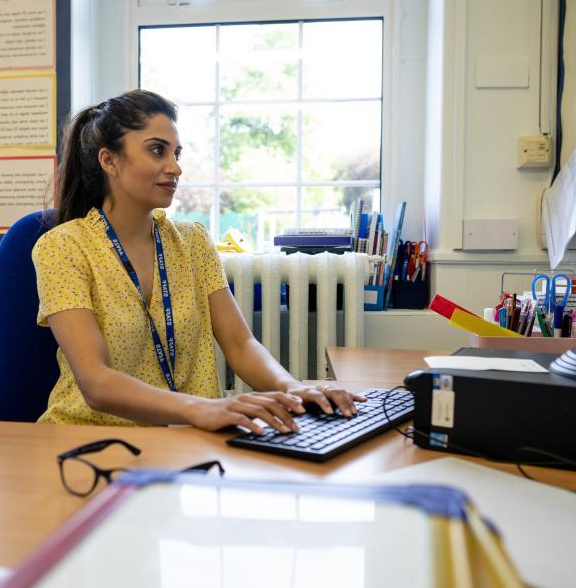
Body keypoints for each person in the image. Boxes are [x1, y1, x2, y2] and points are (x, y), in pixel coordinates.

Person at [33, 89, 364, 435]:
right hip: (91, 441)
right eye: (157, 150)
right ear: (109, 161)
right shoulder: (63, 247)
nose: (175, 167)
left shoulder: (192, 242)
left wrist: (292, 388)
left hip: (186, 438)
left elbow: (240, 344)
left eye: (177, 153)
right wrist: (200, 407)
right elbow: (96, 383)